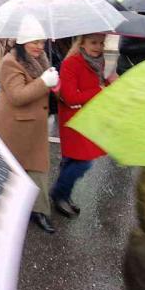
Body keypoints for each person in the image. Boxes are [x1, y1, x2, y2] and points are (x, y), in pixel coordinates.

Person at [0, 18, 60, 233]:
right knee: (16, 171)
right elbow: (17, 95)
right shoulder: (9, 62)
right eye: (34, 41)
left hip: (35, 125)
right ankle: (8, 212)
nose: (39, 46)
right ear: (22, 42)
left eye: (41, 42)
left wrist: (52, 80)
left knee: (38, 169)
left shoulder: (41, 58)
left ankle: (39, 211)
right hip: (16, 127)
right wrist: (44, 83)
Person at [51, 34, 114, 217]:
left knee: (71, 159)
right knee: (83, 162)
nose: (98, 47)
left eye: (101, 43)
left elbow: (95, 87)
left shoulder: (97, 61)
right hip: (73, 120)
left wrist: (108, 82)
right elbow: (70, 98)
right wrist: (100, 90)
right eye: (93, 42)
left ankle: (64, 194)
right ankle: (58, 193)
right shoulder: (72, 63)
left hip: (87, 117)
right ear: (82, 43)